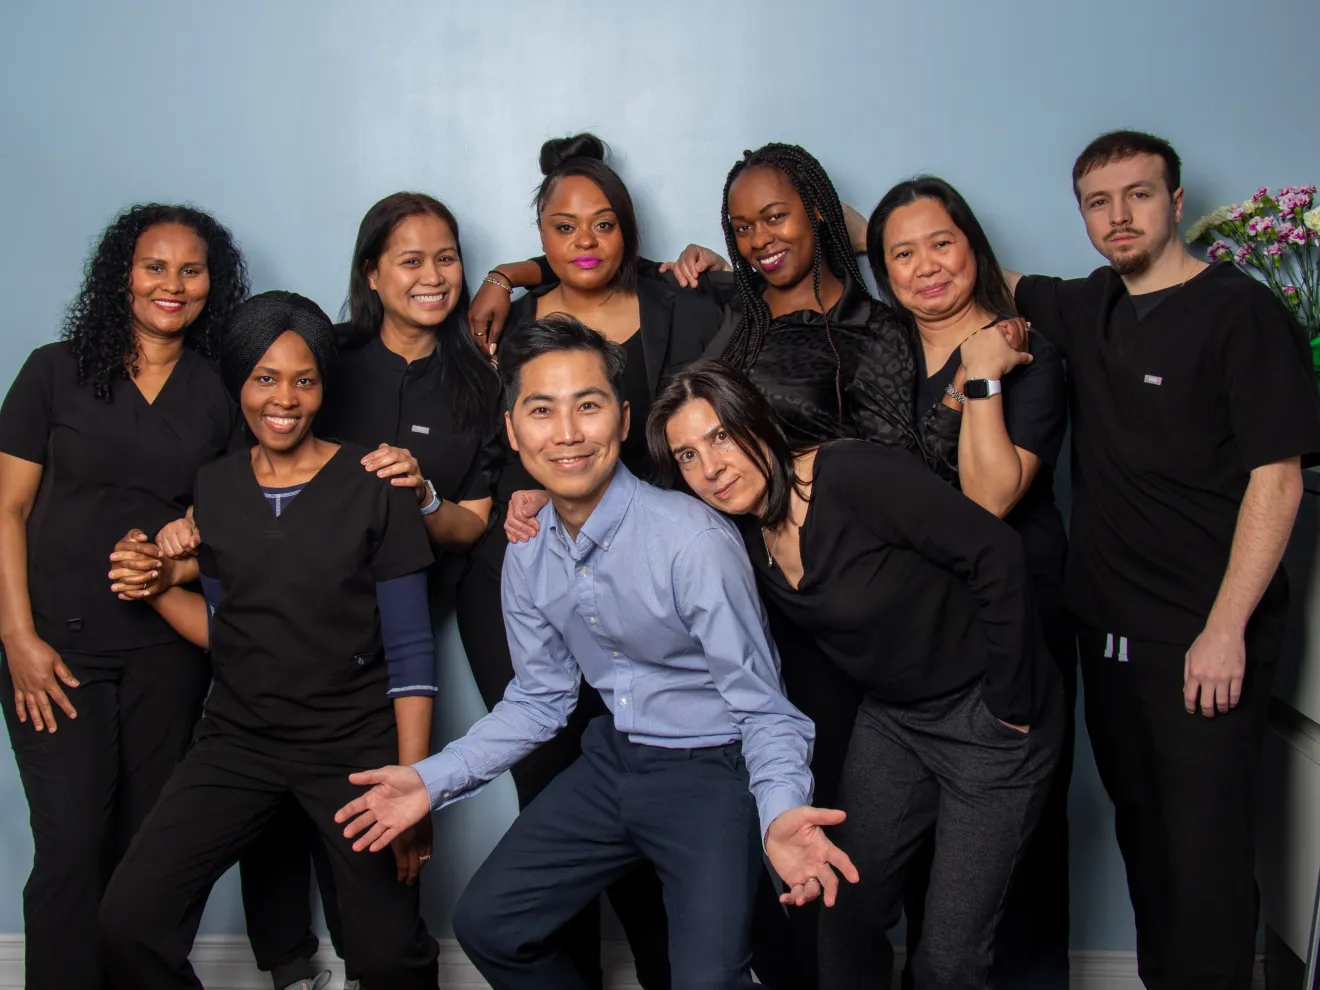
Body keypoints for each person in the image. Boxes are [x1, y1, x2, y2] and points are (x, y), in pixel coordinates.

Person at [334, 314, 856, 990]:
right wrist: (431, 780)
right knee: (490, 925)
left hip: (712, 771)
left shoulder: (691, 542)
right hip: (614, 761)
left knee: (705, 980)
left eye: (589, 405)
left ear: (624, 417)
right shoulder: (529, 552)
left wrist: (782, 809)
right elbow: (539, 699)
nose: (570, 433)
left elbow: (764, 709)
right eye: (543, 411)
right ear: (514, 431)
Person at [151, 191, 503, 990]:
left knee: (370, 893)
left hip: (380, 642)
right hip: (275, 645)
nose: (433, 275)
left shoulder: (476, 381)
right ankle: (290, 969)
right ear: (371, 274)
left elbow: (470, 525)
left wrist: (417, 497)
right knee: (269, 834)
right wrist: (176, 540)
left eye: (447, 257)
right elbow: (253, 486)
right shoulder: (320, 359)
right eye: (409, 259)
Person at [1004, 129, 1320, 990]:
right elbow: (960, 264)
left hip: (1203, 645)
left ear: (1176, 202)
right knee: (1145, 842)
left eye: (1138, 195)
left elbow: (1279, 482)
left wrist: (1226, 631)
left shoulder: (1241, 313)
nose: (1119, 216)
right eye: (1099, 202)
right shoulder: (1088, 304)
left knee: (1206, 862)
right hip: (1107, 641)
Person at [650, 361, 1063, 990]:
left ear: (757, 419)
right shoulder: (738, 535)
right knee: (843, 909)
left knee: (950, 960)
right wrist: (548, 498)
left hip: (987, 717)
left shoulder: (851, 474)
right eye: (687, 454)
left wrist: (1010, 704)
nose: (711, 467)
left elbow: (996, 552)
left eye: (722, 435)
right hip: (895, 719)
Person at [96, 291, 441, 988]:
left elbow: (410, 656)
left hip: (351, 746)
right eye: (264, 377)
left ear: (323, 388)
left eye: (304, 379)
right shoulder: (215, 487)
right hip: (239, 742)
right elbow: (227, 632)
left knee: (384, 956)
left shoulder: (374, 485)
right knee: (128, 921)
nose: (284, 398)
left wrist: (415, 790)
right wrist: (158, 588)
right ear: (240, 383)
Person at [456, 133, 722, 990]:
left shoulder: (677, 301)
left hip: (657, 576)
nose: (585, 241)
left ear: (627, 230)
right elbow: (501, 458)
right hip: (541, 558)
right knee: (550, 778)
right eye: (563, 228)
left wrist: (709, 267)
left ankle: (664, 970)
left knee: (651, 774)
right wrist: (516, 501)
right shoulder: (513, 323)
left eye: (604, 224)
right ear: (541, 234)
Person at [0, 204, 247, 990]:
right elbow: (5, 509)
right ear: (121, 275)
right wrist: (16, 641)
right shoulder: (53, 370)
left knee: (145, 853)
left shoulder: (221, 393)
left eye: (191, 269)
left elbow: (239, 513)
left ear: (215, 283)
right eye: (154, 266)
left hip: (164, 653)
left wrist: (186, 535)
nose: (172, 285)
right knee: (72, 846)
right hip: (53, 650)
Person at [867, 177, 1071, 988]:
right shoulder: (880, 351)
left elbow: (989, 500)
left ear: (973, 245)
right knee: (905, 866)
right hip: (916, 641)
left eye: (940, 243)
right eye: (902, 253)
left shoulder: (1025, 347)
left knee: (1007, 870)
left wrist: (981, 374)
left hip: (1011, 633)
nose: (925, 267)